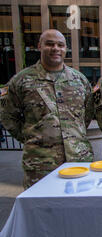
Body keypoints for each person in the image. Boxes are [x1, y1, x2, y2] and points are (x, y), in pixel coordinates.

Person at [0, 29, 94, 188]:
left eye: (60, 45)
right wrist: (32, 137)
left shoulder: (79, 80)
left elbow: (87, 113)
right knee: (40, 210)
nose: (56, 48)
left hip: (78, 160)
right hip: (40, 164)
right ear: (39, 46)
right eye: (50, 44)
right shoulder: (22, 80)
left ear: (65, 49)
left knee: (79, 208)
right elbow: (8, 116)